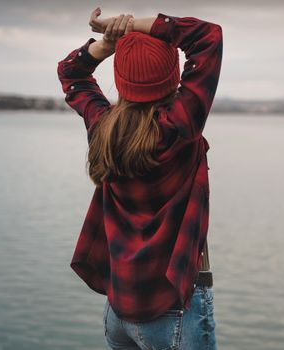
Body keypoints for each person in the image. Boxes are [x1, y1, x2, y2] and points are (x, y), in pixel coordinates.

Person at [57, 6, 223, 349]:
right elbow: (207, 37)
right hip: (175, 309)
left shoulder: (103, 127)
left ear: (121, 78)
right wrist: (132, 25)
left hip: (119, 311)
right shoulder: (180, 126)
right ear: (173, 75)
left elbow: (72, 72)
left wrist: (106, 44)